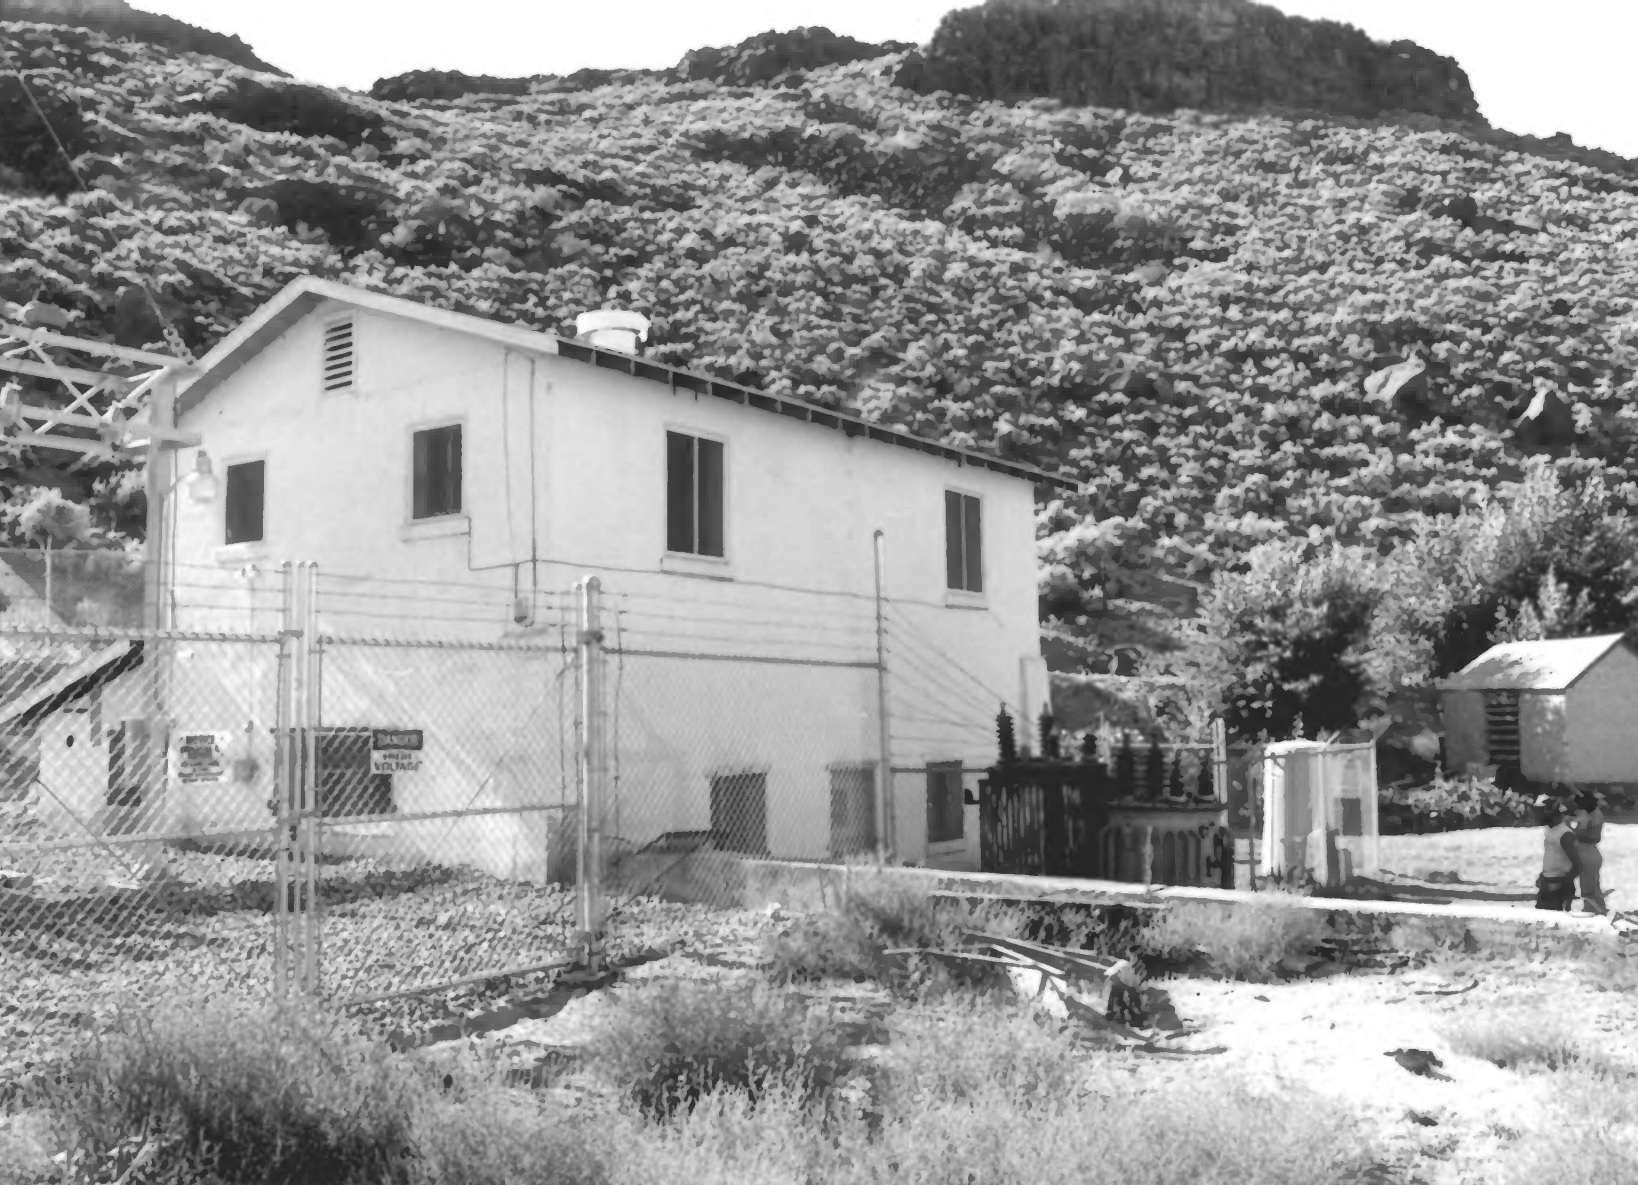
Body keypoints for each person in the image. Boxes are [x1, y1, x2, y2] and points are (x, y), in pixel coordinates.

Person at [1535, 795, 1581, 912]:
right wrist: (1543, 875)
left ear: (1554, 813)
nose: (1540, 815)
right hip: (1547, 882)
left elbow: (1578, 864)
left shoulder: (1565, 834)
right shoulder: (1550, 831)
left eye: (1543, 812)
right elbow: (1553, 857)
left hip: (1558, 886)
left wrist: (1565, 883)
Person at [1570, 789, 1607, 915]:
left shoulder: (1596, 815)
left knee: (1591, 883)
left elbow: (1595, 837)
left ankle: (1598, 908)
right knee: (1585, 883)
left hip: (1589, 852)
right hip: (1584, 853)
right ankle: (1590, 907)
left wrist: (1575, 834)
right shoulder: (1585, 814)